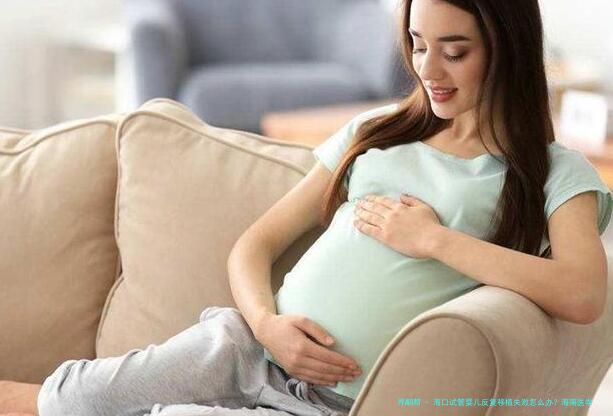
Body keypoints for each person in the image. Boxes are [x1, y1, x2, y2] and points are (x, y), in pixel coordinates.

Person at [2, 0, 611, 414]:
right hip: (246, 347)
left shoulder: (554, 172)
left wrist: (435, 241)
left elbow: (583, 294)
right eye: (418, 44)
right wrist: (266, 324)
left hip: (335, 401)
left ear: (507, 50)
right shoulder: (377, 132)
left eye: (455, 52)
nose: (427, 69)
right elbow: (255, 245)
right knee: (75, 399)